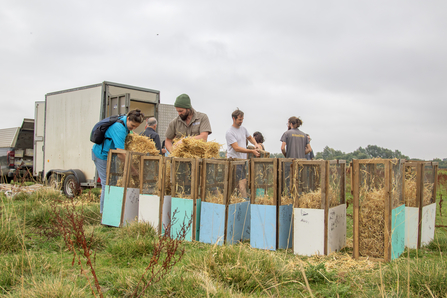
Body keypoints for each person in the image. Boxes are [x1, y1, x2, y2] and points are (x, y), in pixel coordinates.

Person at [92, 109, 145, 213]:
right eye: (132, 126)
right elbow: (121, 154)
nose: (133, 128)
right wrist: (132, 169)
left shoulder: (125, 121)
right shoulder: (119, 128)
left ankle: (113, 210)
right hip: (101, 155)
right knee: (106, 184)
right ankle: (104, 214)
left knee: (113, 182)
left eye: (136, 127)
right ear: (128, 119)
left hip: (111, 156)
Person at [226, 108, 261, 198]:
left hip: (242, 161)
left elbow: (249, 138)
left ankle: (230, 199)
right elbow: (236, 148)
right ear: (234, 119)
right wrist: (252, 151)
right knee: (242, 181)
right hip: (234, 161)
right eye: (239, 119)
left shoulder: (243, 129)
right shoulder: (230, 132)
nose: (241, 121)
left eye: (242, 119)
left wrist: (256, 144)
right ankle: (245, 201)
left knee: (236, 184)